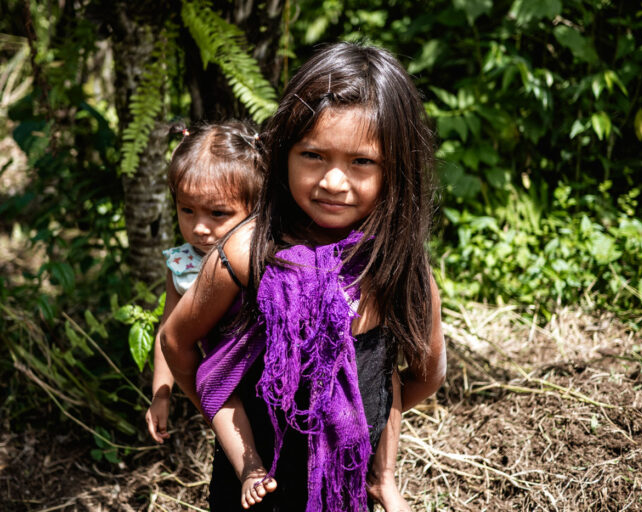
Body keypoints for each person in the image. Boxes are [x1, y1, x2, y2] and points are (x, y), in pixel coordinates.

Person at [161, 42, 446, 512]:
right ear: (283, 153)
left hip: (346, 486)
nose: (333, 182)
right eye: (313, 155)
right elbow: (177, 341)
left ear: (397, 168)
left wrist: (355, 440)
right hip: (254, 491)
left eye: (361, 162)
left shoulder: (400, 265)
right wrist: (232, 431)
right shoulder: (249, 251)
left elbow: (423, 374)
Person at [144, 121, 263, 444]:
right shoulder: (181, 266)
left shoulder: (263, 256)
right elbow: (168, 332)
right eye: (187, 210)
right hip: (220, 388)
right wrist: (162, 393)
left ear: (255, 208)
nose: (199, 228)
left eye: (217, 213)